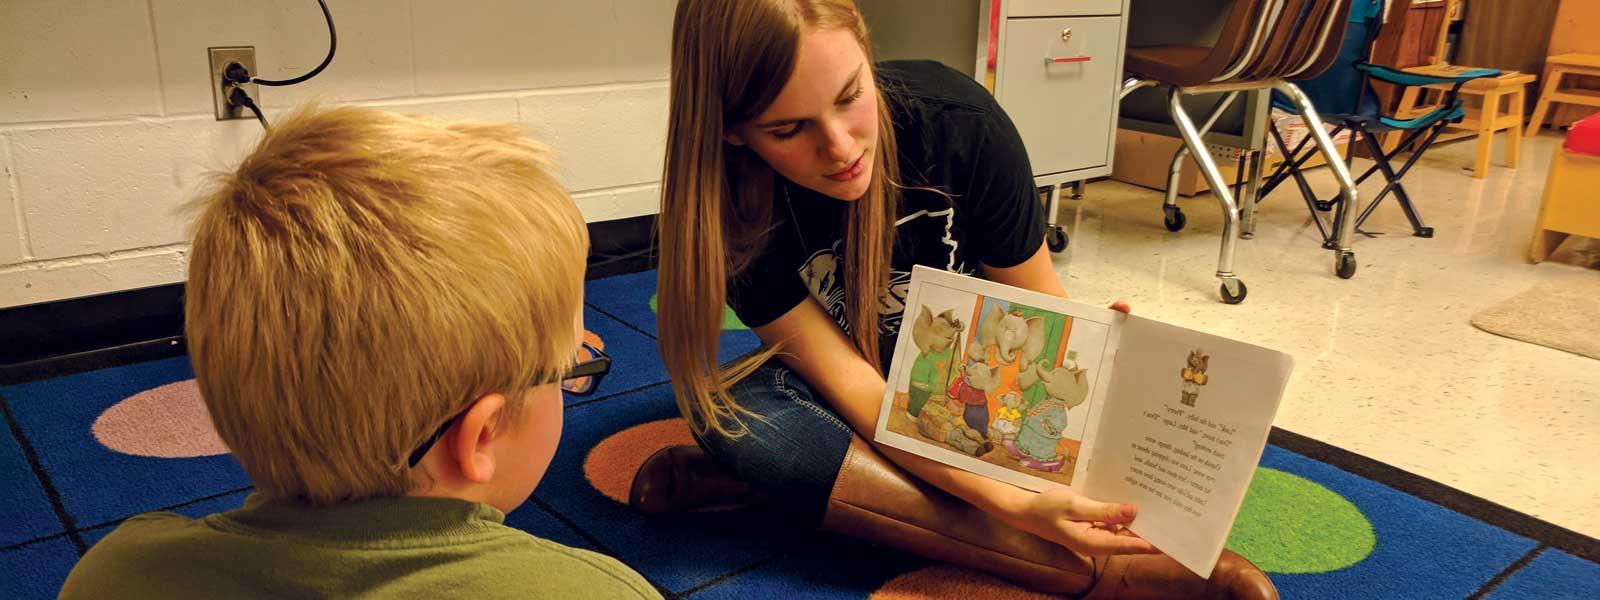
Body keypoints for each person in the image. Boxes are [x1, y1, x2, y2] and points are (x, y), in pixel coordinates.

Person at [633, 1, 1278, 598]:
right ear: (733, 133)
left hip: (980, 392)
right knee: (738, 417)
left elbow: (1037, 312)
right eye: (787, 129)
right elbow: (856, 388)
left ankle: (794, 495)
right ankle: (1091, 570)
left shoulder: (958, 125)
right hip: (857, 392)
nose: (840, 148)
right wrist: (1017, 507)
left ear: (865, 48)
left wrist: (1094, 355)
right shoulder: (726, 212)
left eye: (851, 97)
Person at [60, 105, 660, 600]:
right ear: (479, 437)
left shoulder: (115, 572)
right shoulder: (593, 591)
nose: (572, 378)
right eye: (567, 372)